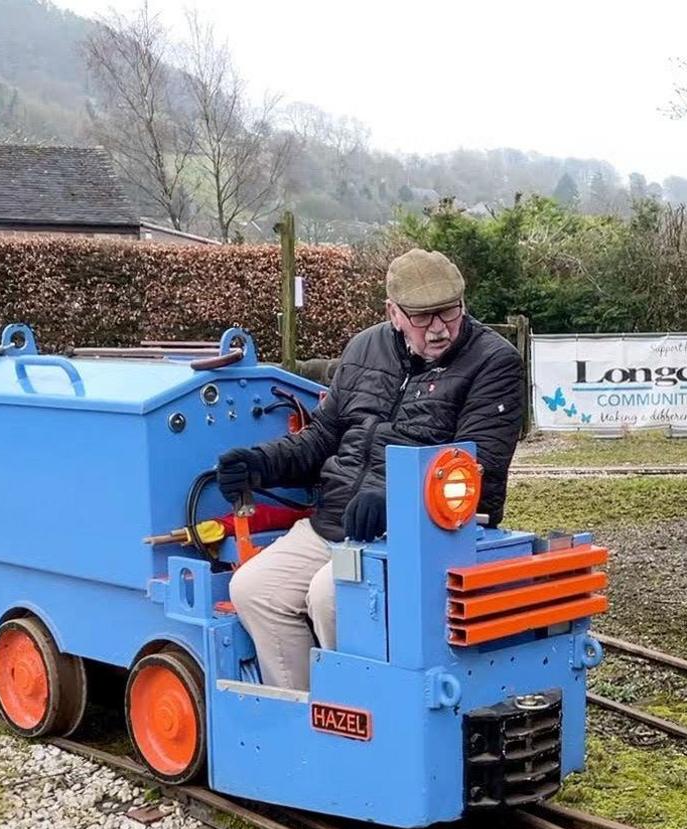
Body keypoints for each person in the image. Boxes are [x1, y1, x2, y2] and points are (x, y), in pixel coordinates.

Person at [217, 249, 526, 690]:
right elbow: (322, 438)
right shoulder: (364, 347)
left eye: (449, 312)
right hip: (336, 523)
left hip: (426, 535)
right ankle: (305, 716)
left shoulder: (494, 362)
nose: (439, 328)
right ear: (393, 313)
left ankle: (364, 721)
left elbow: (480, 468)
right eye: (422, 317)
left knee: (332, 597)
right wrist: (261, 463)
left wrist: (397, 503)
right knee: (253, 589)